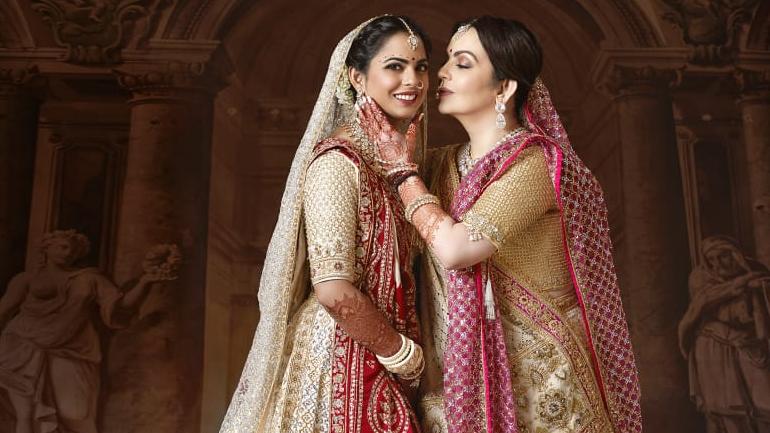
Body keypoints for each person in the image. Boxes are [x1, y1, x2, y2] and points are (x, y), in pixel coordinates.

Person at [357, 16, 643, 433]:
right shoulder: (440, 164)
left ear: (504, 88)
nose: (442, 72)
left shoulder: (536, 163)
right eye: (447, 60)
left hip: (544, 392)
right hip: (462, 389)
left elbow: (456, 249)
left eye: (463, 63)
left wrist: (404, 175)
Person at [219, 15, 431, 433]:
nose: (412, 80)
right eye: (395, 66)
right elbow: (333, 289)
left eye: (420, 66)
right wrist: (401, 354)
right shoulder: (337, 163)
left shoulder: (395, 166)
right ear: (356, 77)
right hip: (338, 355)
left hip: (387, 355)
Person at [0, 230, 163, 433]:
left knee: (75, 414)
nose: (68, 252)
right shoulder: (26, 278)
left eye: (73, 250)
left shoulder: (90, 279)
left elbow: (121, 307)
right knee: (26, 414)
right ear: (46, 248)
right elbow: (4, 309)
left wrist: (145, 281)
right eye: (63, 247)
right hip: (22, 346)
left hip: (71, 349)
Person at [679, 236, 770, 433]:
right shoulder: (701, 277)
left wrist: (758, 288)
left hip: (750, 345)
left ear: (735, 254)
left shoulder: (755, 270)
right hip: (714, 347)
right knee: (728, 410)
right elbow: (706, 298)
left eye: (723, 256)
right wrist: (745, 283)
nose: (717, 263)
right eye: (711, 259)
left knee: (763, 405)